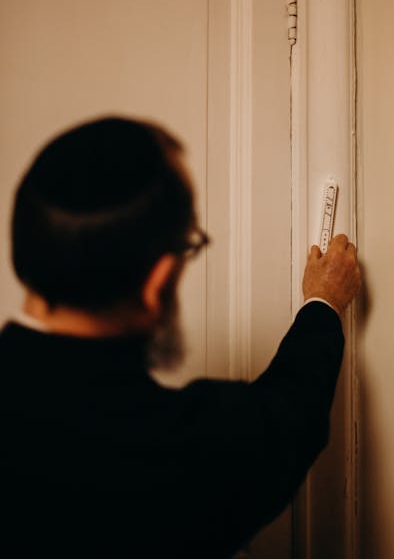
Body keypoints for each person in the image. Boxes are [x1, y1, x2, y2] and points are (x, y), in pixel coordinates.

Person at [0, 116, 361, 558]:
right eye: (189, 242)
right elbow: (288, 415)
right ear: (158, 281)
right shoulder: (172, 450)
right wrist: (323, 301)